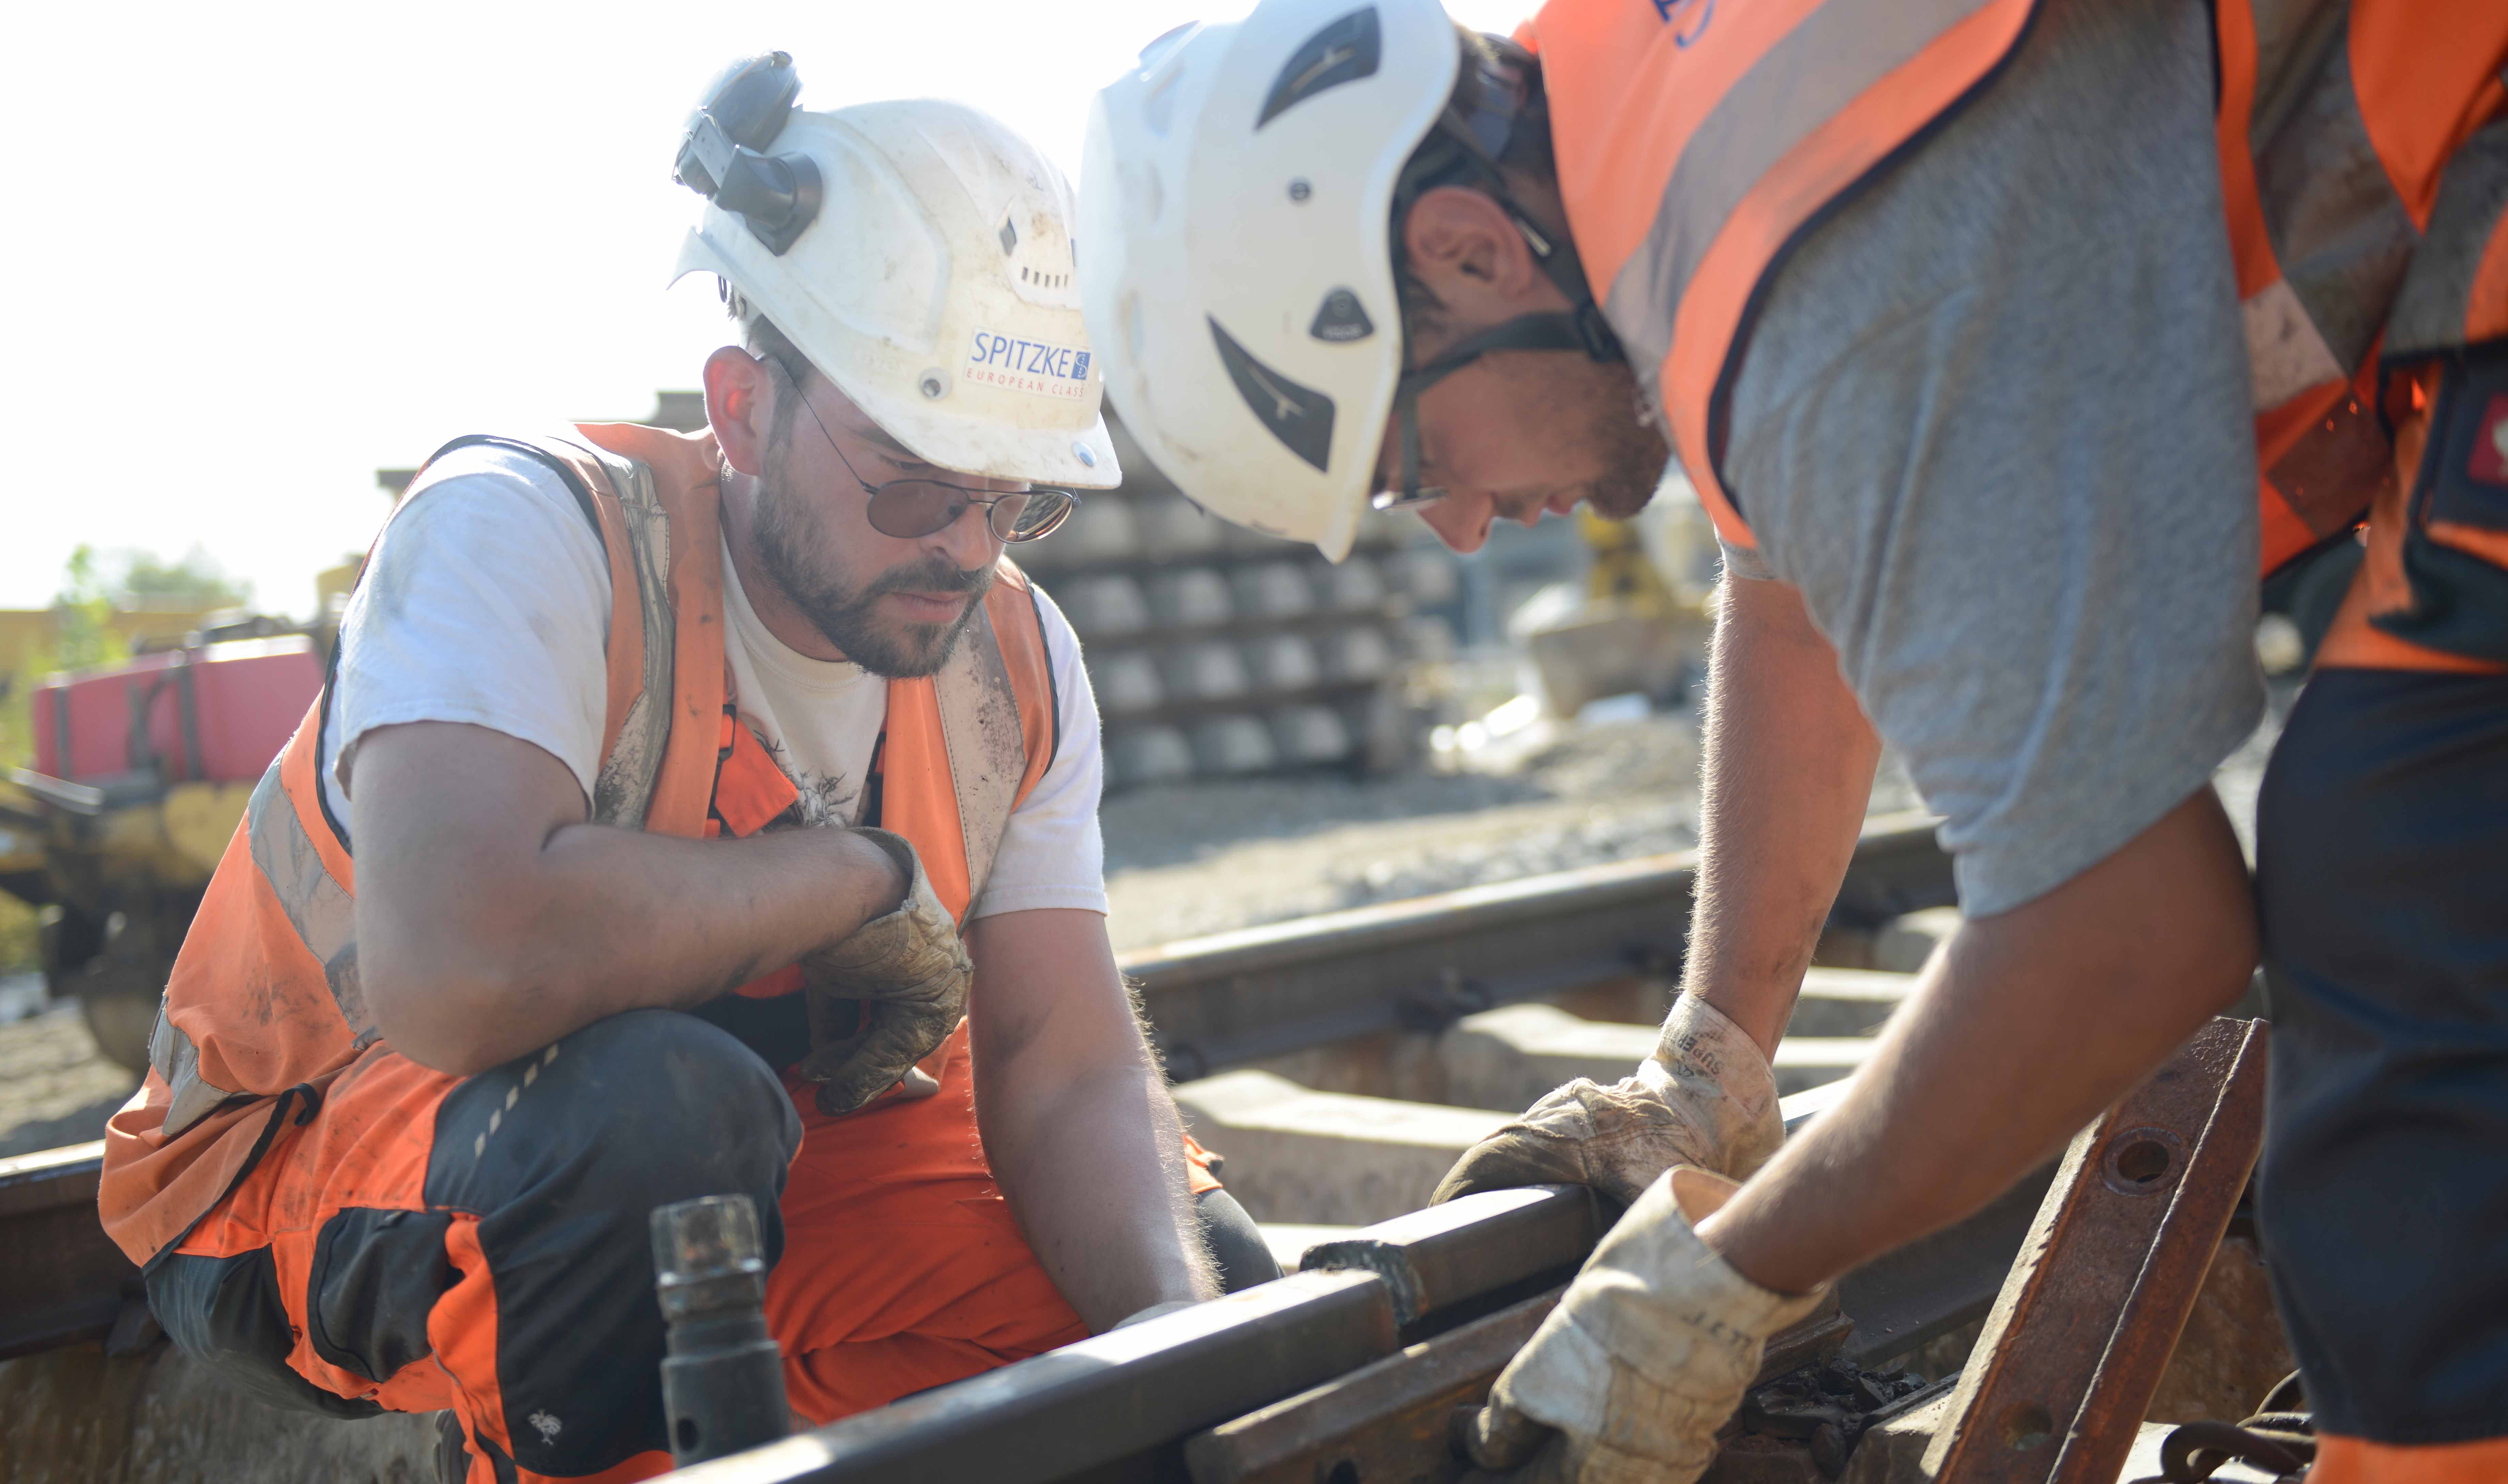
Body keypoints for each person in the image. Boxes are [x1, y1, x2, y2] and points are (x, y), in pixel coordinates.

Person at [1080, 1, 2508, 1479]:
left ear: (1467, 252)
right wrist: (1715, 1061)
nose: (1453, 527)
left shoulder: (1810, 266)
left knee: (2403, 869)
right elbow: (1795, 600)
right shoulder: (1677, 156)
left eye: (1409, 463)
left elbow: (2128, 930)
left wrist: (1725, 1277)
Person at [99, 61, 1278, 1484]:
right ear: (744, 407)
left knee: (1198, 1281)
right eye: (915, 481)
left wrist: (1175, 1348)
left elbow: (1062, 1062)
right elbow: (462, 967)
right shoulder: (525, 533)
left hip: (740, 1146)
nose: (965, 547)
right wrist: (850, 879)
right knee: (654, 1124)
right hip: (305, 1160)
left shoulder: (1015, 663)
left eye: (1012, 497)